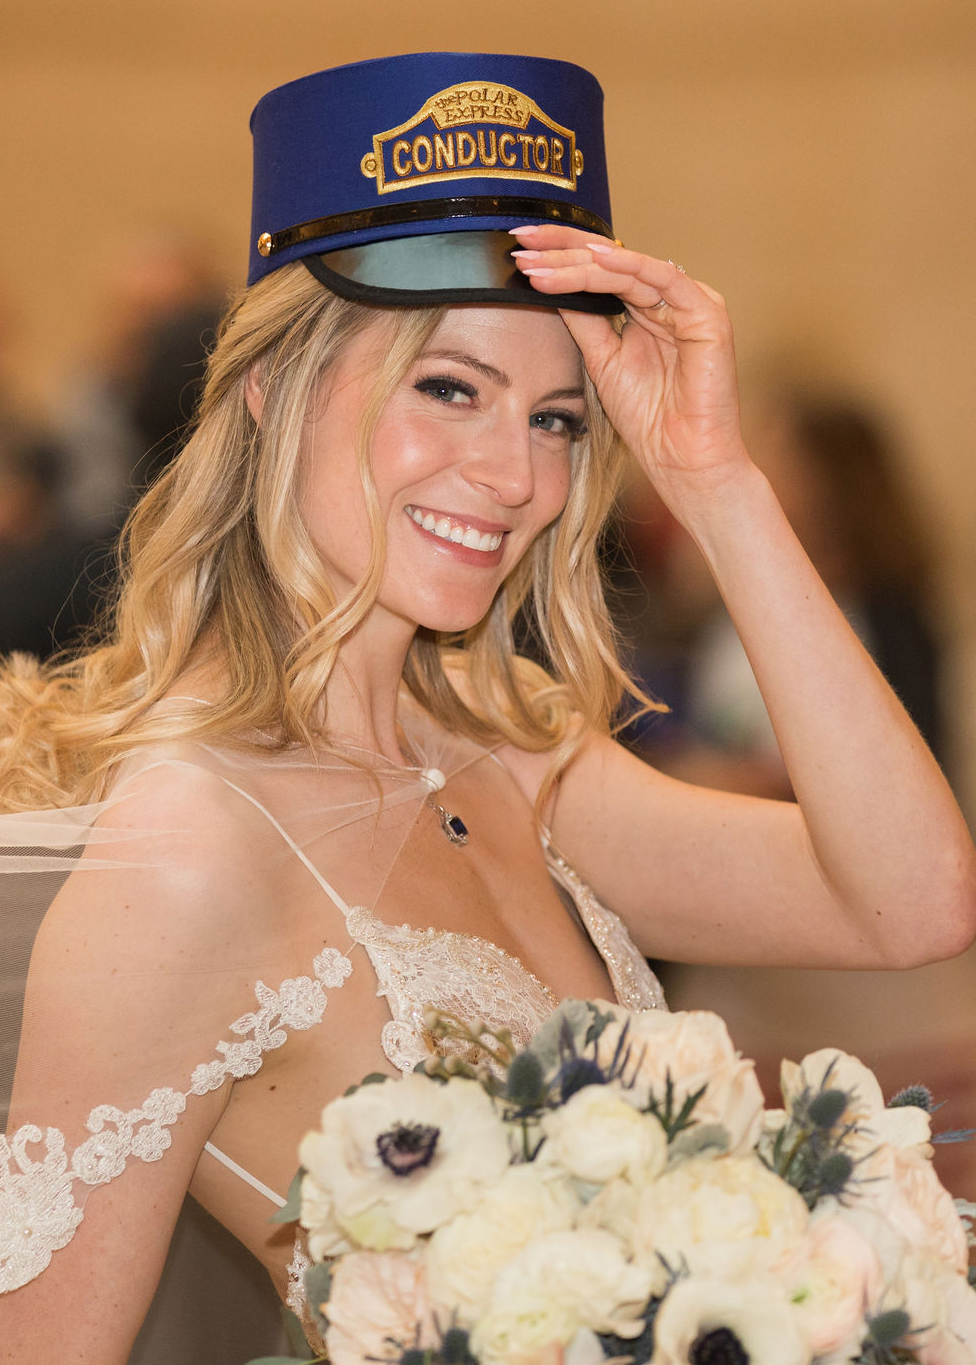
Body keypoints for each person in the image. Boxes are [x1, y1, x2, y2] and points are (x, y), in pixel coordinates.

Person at [1, 51, 974, 1364]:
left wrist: (716, 479)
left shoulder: (512, 751)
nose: (516, 475)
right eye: (449, 388)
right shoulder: (189, 858)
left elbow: (913, 901)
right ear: (273, 391)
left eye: (559, 420)